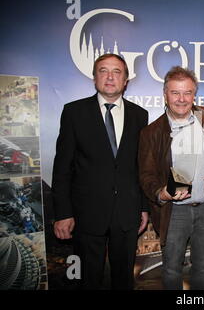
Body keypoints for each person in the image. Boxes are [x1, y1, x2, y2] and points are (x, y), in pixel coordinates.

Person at [52, 54, 149, 290]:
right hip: (86, 216)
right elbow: (62, 167)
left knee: (123, 281)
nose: (109, 77)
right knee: (87, 281)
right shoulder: (74, 113)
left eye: (117, 72)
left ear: (126, 80)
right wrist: (63, 213)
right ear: (94, 77)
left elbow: (142, 167)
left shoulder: (140, 115)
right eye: (103, 70)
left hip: (127, 214)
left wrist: (144, 207)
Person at [138, 66, 204, 290]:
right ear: (165, 94)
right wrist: (161, 192)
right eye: (175, 93)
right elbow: (146, 175)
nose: (182, 99)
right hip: (174, 212)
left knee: (203, 265)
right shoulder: (152, 132)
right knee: (172, 268)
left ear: (194, 94)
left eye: (187, 92)